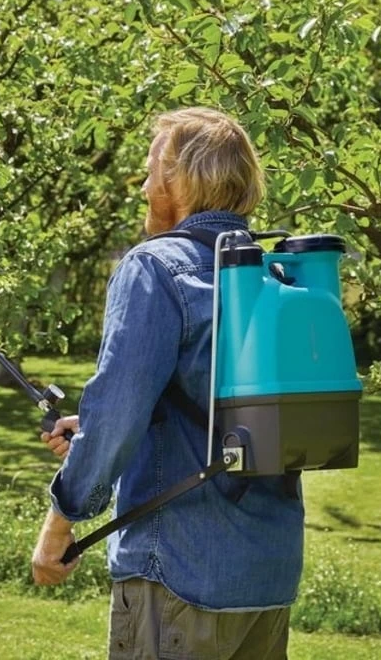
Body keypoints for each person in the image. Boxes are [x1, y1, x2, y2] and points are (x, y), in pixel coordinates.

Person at [31, 107, 301, 660]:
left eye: (152, 170)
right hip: (266, 577)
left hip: (179, 571)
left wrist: (59, 527)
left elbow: (115, 418)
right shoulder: (273, 276)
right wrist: (112, 427)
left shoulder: (154, 268)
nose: (145, 186)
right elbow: (234, 412)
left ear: (179, 179)